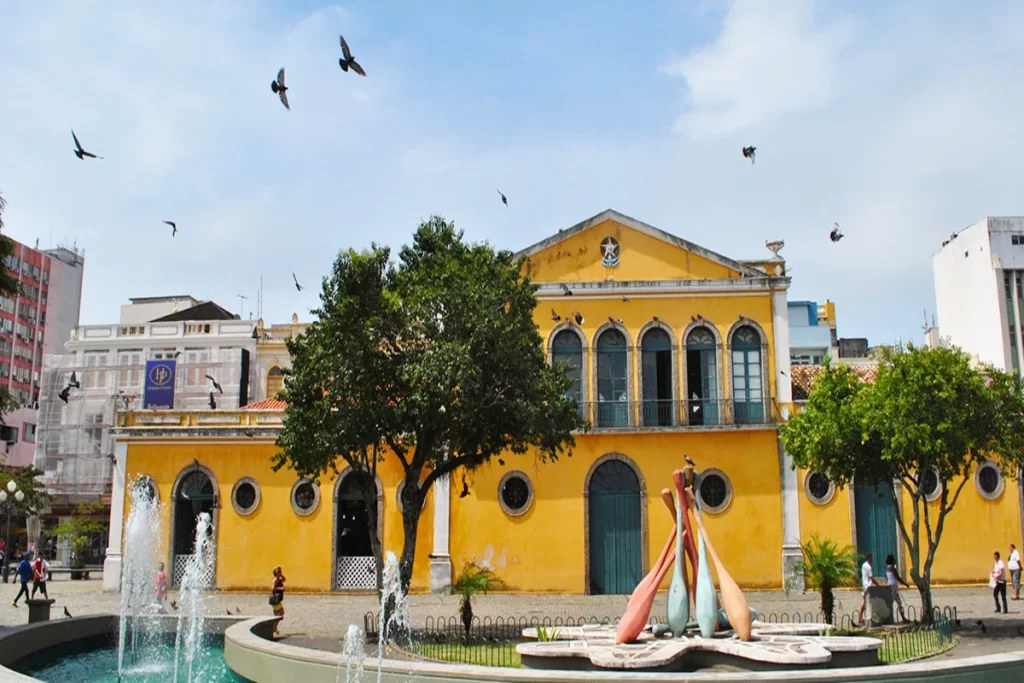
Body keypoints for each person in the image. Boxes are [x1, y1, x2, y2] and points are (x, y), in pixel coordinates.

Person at [885, 555, 909, 623]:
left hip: (891, 586)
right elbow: (898, 577)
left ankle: (903, 618)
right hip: (893, 587)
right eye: (894, 559)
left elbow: (887, 578)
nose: (895, 560)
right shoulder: (892, 568)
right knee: (890, 603)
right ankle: (889, 619)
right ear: (892, 560)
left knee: (899, 602)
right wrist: (905, 584)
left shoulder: (887, 569)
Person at [858, 553, 878, 625]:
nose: (872, 559)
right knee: (868, 602)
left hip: (864, 585)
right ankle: (868, 618)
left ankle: (860, 617)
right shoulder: (868, 567)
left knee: (865, 602)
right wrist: (877, 584)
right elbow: (871, 578)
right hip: (868, 586)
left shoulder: (864, 565)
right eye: (871, 558)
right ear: (869, 558)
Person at [270, 566, 286, 637]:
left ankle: (274, 628)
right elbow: (273, 588)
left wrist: (281, 575)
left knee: (281, 613)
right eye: (278, 572)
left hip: (279, 599)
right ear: (276, 573)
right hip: (276, 600)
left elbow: (284, 579)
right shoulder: (275, 580)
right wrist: (281, 588)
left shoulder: (279, 579)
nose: (280, 572)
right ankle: (274, 629)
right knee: (277, 615)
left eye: (280, 571)